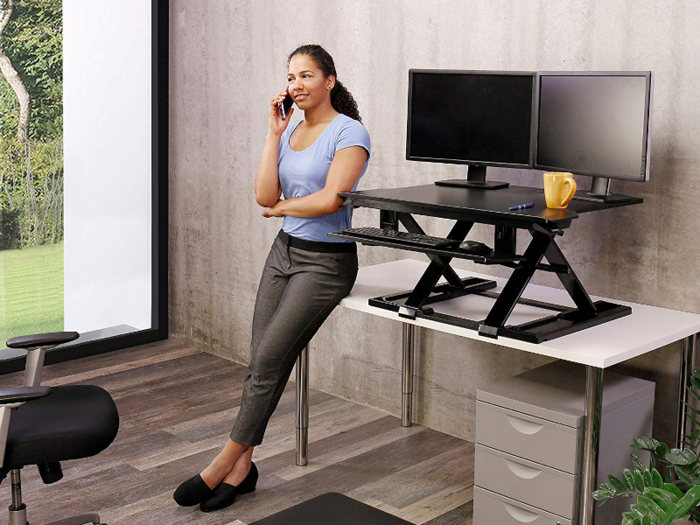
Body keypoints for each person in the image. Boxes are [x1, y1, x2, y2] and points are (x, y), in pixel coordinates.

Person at [173, 43, 371, 513]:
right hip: (284, 253)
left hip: (326, 263)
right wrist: (272, 133)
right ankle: (245, 467)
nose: (296, 85)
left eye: (306, 75)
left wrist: (281, 208)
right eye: (291, 77)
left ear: (330, 81)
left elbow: (330, 200)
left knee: (266, 361)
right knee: (260, 360)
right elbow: (263, 192)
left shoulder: (350, 133)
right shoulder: (291, 130)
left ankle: (222, 462)